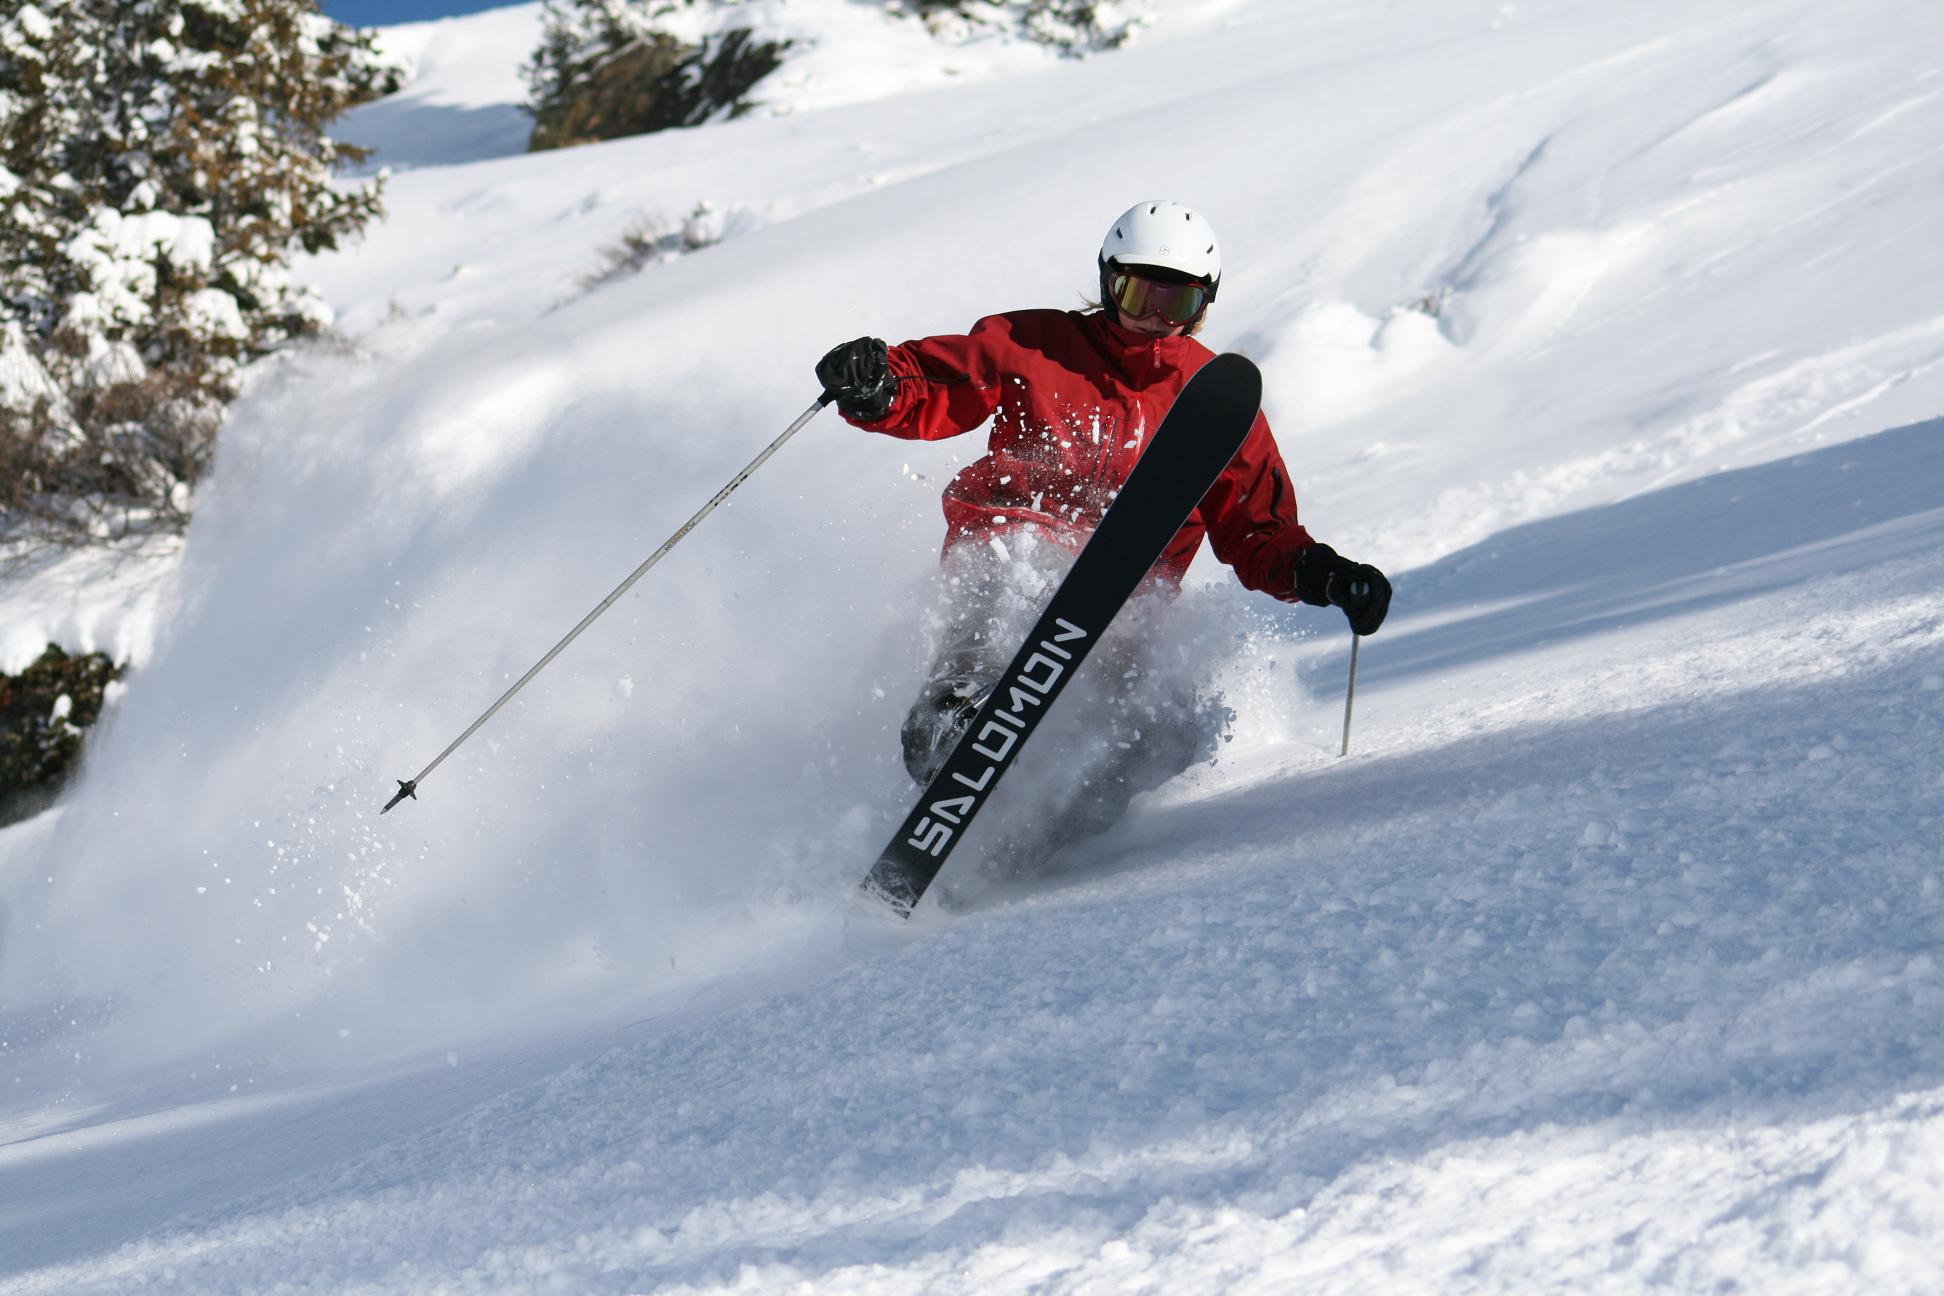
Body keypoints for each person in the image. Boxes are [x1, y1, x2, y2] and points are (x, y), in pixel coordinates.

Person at [816, 200, 1391, 855]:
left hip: (1121, 599)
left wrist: (1322, 574)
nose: (1153, 317)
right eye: (1138, 293)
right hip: (1010, 543)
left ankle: (1052, 832)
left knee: (1150, 725)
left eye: (1175, 304)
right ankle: (954, 715)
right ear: (1107, 283)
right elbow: (943, 386)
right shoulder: (1033, 346)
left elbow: (1256, 528)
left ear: (1203, 306)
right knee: (1013, 571)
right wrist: (881, 385)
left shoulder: (1212, 402)